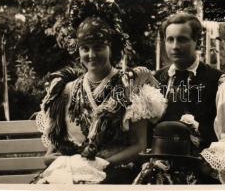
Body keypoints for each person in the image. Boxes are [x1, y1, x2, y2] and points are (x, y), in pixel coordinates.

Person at [31, 16, 166, 184]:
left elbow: (139, 145)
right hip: (73, 172)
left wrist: (101, 164)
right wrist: (65, 161)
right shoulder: (66, 90)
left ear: (111, 48)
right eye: (85, 48)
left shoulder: (132, 87)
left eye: (99, 47)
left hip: (118, 171)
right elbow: (52, 152)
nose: (91, 55)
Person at [152, 12, 225, 184]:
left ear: (196, 42)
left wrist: (210, 160)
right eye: (170, 39)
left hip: (203, 173)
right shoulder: (156, 80)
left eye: (182, 39)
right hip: (160, 172)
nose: (175, 46)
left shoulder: (218, 82)